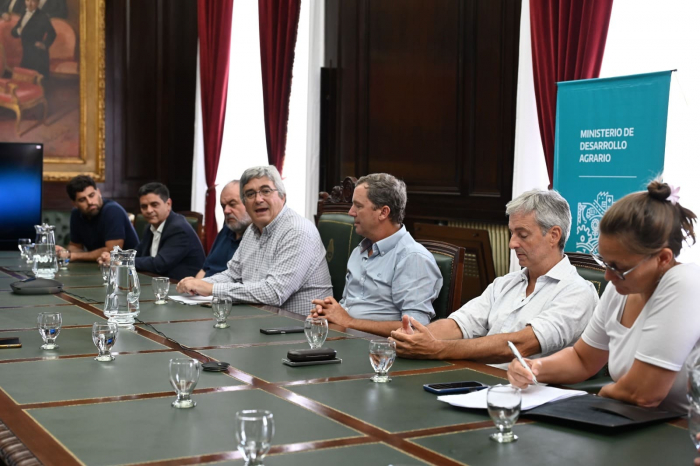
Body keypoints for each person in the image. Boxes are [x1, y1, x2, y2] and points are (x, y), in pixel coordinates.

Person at [507, 181, 700, 414]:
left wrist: (600, 397)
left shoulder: (687, 282)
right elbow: (582, 359)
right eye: (605, 262)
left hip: (684, 430)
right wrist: (535, 367)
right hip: (639, 422)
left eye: (618, 267)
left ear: (663, 259)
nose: (608, 276)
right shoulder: (621, 288)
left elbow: (643, 394)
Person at [390, 189, 599, 366]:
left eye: (523, 235)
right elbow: (460, 324)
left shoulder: (577, 292)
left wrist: (437, 349)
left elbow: (520, 345)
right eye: (512, 233)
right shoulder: (506, 283)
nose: (512, 244)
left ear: (554, 235)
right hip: (482, 382)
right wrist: (415, 337)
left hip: (532, 393)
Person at [176, 165, 332, 315]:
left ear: (282, 196)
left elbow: (274, 293)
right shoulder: (252, 230)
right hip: (257, 318)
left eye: (266, 191)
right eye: (250, 194)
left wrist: (211, 289)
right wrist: (198, 285)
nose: (258, 199)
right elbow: (233, 275)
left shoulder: (298, 231)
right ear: (245, 203)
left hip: (298, 324)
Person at [310, 173, 442, 337]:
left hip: (380, 348)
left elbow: (415, 327)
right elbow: (348, 307)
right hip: (346, 338)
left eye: (358, 206)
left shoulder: (413, 258)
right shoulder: (360, 250)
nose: (351, 212)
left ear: (383, 212)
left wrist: (349, 322)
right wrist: (327, 315)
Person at [101, 182, 205, 280]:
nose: (149, 210)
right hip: (156, 282)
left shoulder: (178, 229)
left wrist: (120, 261)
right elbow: (138, 254)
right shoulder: (150, 227)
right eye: (144, 206)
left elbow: (159, 264)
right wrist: (114, 257)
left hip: (180, 287)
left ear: (168, 204)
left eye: (154, 205)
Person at [58, 175, 138, 263]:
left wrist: (75, 256)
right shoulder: (76, 214)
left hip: (130, 266)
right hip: (101, 265)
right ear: (74, 204)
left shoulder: (113, 211)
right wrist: (64, 252)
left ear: (99, 192)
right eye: (82, 200)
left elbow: (112, 252)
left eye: (92, 195)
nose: (90, 202)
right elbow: (75, 246)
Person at [195, 180, 251, 279]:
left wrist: (203, 286)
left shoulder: (257, 237)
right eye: (223, 206)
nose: (226, 211)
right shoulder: (226, 229)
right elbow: (204, 269)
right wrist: (194, 285)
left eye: (232, 204)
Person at [11, 0, 55, 78]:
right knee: (24, 79)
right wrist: (19, 31)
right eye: (27, 1)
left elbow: (52, 33)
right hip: (25, 52)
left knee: (34, 80)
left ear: (38, 3)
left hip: (37, 55)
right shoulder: (24, 13)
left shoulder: (42, 16)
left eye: (33, 1)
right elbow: (14, 33)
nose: (29, 4)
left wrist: (45, 44)